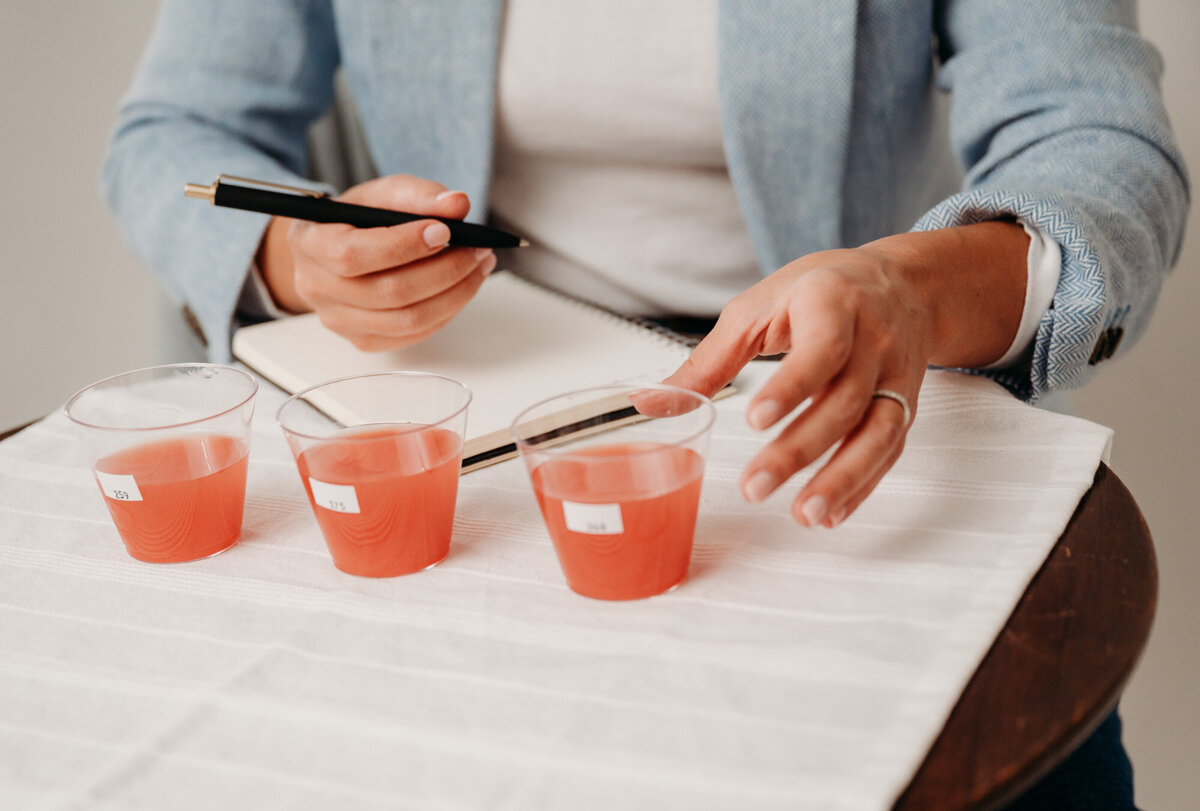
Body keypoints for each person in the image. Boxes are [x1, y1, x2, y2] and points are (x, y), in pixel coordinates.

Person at [103, 3, 1186, 806]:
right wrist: (298, 249)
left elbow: (1099, 141)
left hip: (816, 385)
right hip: (480, 402)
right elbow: (172, 133)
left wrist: (910, 281)